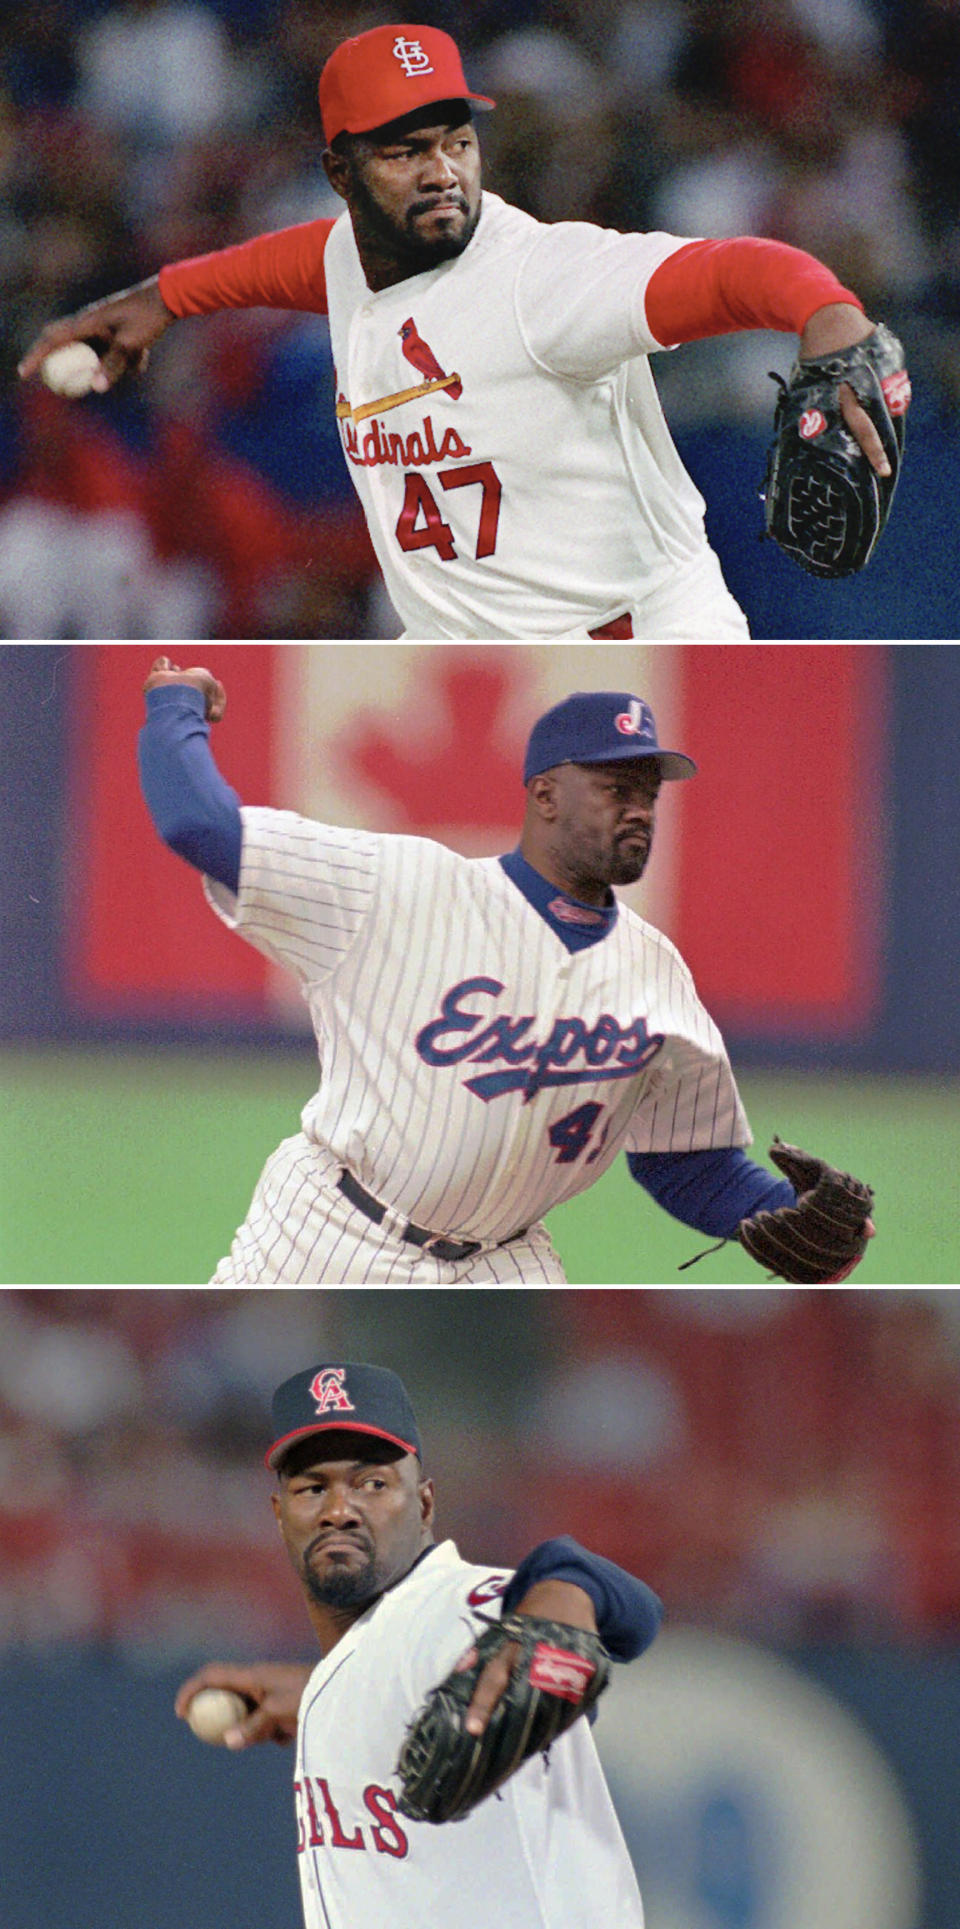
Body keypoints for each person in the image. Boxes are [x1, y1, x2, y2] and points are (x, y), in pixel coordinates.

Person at [19, 22, 903, 640]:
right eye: (405, 152)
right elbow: (300, 263)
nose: (442, 171)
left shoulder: (541, 279)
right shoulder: (353, 258)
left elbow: (727, 272)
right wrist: (164, 296)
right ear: (340, 171)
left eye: (455, 141)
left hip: (632, 659)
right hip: (474, 660)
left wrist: (827, 316)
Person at [136, 655, 873, 1285]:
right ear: (545, 794)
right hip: (330, 1224)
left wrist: (779, 1211)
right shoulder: (397, 884)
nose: (641, 809)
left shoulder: (657, 970)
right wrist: (175, 703)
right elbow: (197, 823)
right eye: (617, 788)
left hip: (503, 1261)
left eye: (649, 792)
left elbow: (688, 1163)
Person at [175, 1360, 663, 1929]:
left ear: (425, 1504)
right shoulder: (362, 1666)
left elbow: (623, 1613)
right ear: (280, 1514)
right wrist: (322, 1695)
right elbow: (401, 1669)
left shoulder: (454, 1606)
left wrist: (567, 1586)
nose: (339, 1511)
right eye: (313, 1488)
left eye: (372, 1484)